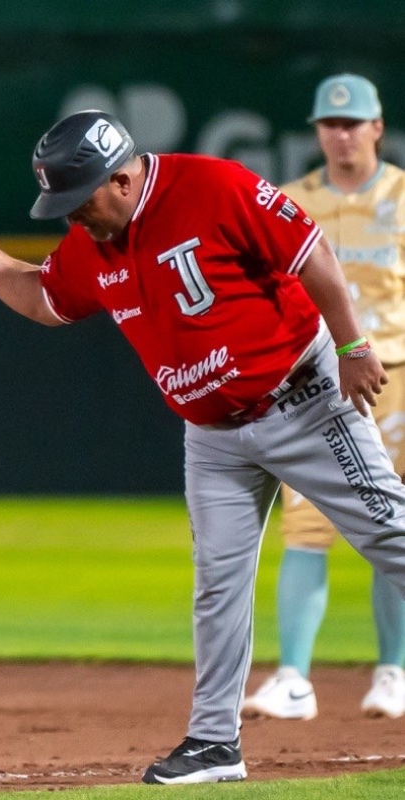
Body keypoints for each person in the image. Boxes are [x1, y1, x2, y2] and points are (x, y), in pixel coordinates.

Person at [0, 109, 405, 785]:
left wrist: (354, 344)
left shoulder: (213, 187)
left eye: (80, 200)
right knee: (217, 586)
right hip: (213, 437)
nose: (73, 218)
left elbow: (313, 254)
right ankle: (215, 743)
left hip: (303, 400)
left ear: (122, 180)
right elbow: (44, 297)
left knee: (393, 536)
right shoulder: (94, 241)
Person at [243, 73, 405, 722]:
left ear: (376, 127)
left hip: (396, 372)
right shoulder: (288, 199)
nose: (340, 134)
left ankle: (393, 672)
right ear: (317, 131)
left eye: (352, 122)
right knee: (306, 526)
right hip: (316, 382)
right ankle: (293, 679)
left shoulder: (402, 193)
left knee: (394, 525)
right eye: (329, 124)